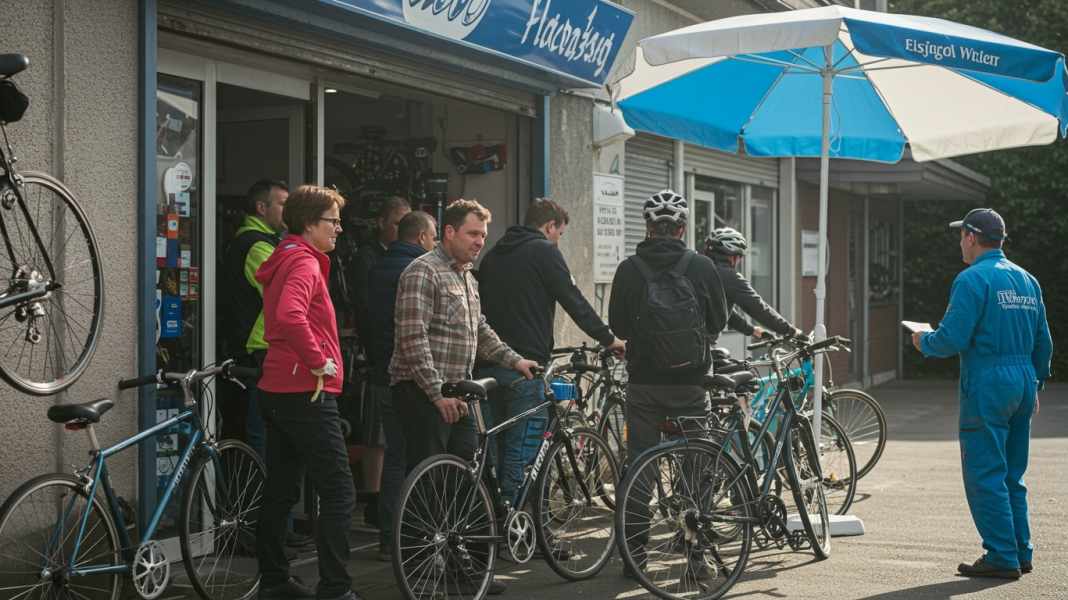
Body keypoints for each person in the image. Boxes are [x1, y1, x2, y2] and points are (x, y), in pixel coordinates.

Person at [390, 199, 539, 596]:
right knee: (429, 483)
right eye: (473, 234)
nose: (479, 243)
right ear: (449, 231)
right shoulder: (422, 272)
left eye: (483, 236)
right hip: (422, 392)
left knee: (467, 482)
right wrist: (437, 393)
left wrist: (515, 360)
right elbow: (412, 339)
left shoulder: (466, 277)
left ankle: (464, 569)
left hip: (458, 391)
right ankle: (422, 567)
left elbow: (482, 330)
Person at [912, 208, 1052, 580]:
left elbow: (952, 338)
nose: (960, 241)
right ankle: (1021, 551)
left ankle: (1002, 556)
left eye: (962, 235)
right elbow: (1044, 342)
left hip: (988, 383)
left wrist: (922, 341)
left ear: (972, 237)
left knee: (985, 473)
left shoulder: (971, 280)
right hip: (1022, 379)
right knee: (1012, 475)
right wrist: (1035, 382)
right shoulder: (1027, 280)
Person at [608, 189, 728, 577]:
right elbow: (718, 322)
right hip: (692, 385)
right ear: (682, 228)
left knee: (640, 465)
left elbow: (618, 327)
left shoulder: (628, 269)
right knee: (697, 469)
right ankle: (696, 558)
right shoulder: (702, 266)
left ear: (647, 227)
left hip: (644, 385)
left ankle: (635, 557)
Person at [476, 197, 624, 503]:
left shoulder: (492, 255)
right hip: (525, 367)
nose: (558, 240)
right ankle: (516, 530)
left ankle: (491, 526)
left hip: (487, 367)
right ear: (549, 226)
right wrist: (609, 339)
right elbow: (574, 301)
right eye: (559, 233)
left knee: (494, 455)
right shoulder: (543, 252)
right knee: (522, 454)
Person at [255, 185, 362, 600]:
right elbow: (289, 316)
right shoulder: (304, 263)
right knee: (338, 490)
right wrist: (319, 360)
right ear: (308, 223)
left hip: (278, 388)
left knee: (281, 488)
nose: (338, 228)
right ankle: (336, 589)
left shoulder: (287, 258)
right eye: (332, 221)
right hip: (306, 389)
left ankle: (275, 581)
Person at [364, 210, 438, 562]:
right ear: (422, 237)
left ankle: (387, 536)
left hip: (380, 370)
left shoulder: (377, 267)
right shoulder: (419, 271)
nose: (436, 243)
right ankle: (411, 538)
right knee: (417, 457)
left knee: (394, 455)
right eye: (434, 235)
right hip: (409, 376)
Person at [350, 196, 411, 527]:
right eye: (397, 223)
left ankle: (384, 509)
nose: (402, 230)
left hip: (386, 356)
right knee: (379, 435)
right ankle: (376, 503)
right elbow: (366, 309)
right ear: (381, 224)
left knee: (391, 443)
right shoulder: (368, 259)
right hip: (380, 357)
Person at [702, 226, 802, 342]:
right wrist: (790, 331)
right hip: (698, 347)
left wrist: (751, 330)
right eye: (739, 256)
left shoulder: (700, 268)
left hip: (682, 341)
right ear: (732, 256)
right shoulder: (728, 276)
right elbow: (758, 308)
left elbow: (720, 310)